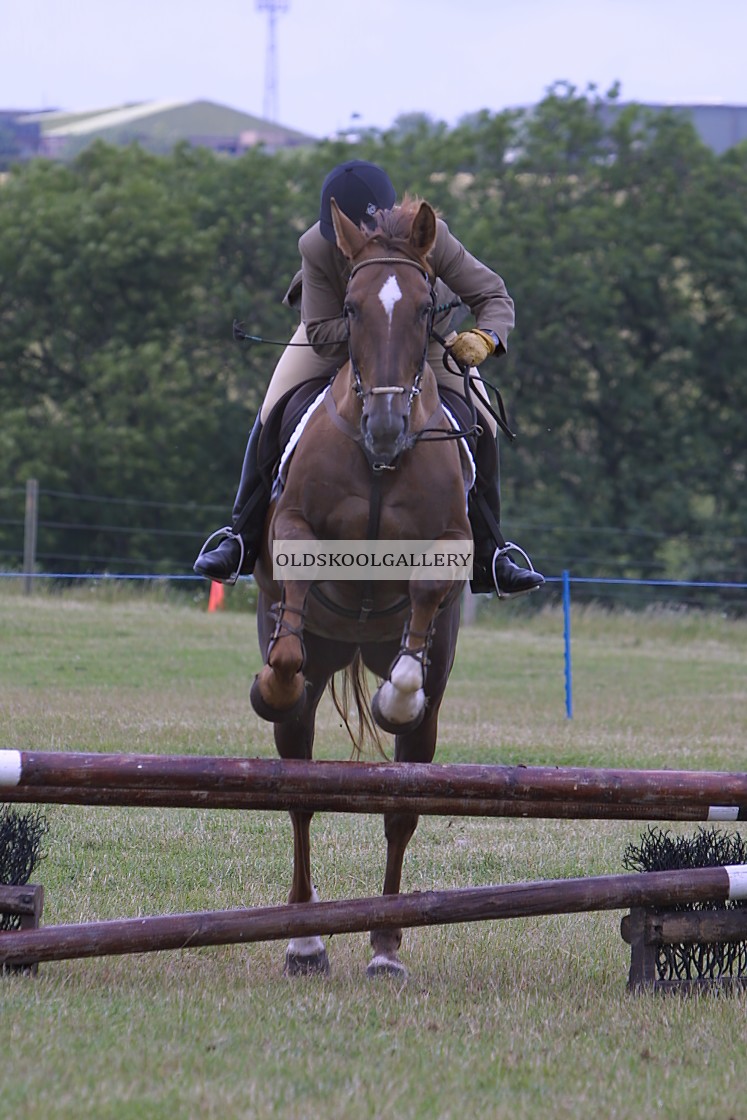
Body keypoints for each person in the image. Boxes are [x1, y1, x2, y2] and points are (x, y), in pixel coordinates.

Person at [194, 160, 544, 598]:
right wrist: (375, 327)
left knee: (484, 424)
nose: (344, 244)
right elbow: (321, 334)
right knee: (271, 409)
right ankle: (240, 538)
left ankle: (491, 554)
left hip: (424, 338)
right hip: (338, 337)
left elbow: (493, 294)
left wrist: (486, 336)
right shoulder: (318, 247)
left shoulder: (432, 237)